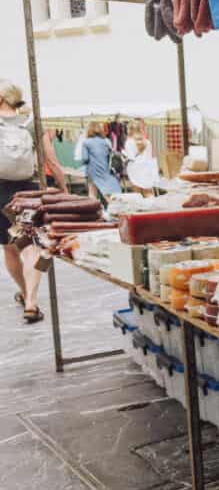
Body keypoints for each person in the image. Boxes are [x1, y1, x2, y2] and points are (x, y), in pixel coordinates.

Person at [0, 79, 67, 323]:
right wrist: (64, 188)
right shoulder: (31, 123)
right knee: (32, 248)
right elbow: (52, 161)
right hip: (26, 194)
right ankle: (31, 301)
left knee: (9, 248)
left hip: (0, 193)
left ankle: (26, 294)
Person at [80, 121, 123, 201]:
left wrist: (83, 162)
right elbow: (111, 154)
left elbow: (85, 159)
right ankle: (114, 207)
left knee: (92, 193)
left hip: (92, 171)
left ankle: (93, 211)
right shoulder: (106, 141)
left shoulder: (86, 142)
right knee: (107, 191)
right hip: (105, 169)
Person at [124, 119, 157, 196]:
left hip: (134, 168)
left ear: (130, 130)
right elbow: (150, 156)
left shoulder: (129, 142)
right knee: (148, 192)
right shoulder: (147, 142)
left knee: (137, 193)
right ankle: (152, 206)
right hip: (147, 168)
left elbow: (131, 157)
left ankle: (140, 207)